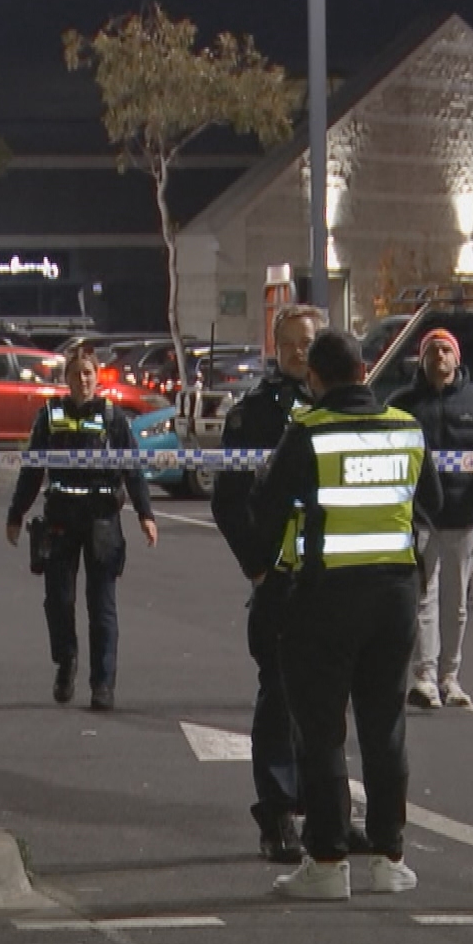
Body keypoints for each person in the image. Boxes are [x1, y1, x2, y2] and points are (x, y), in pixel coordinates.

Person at [248, 328, 442, 901]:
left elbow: (267, 511)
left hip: (324, 599)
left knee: (321, 733)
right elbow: (432, 503)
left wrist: (264, 569)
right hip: (395, 595)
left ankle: (329, 861)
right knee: (385, 730)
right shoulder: (407, 430)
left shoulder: (307, 431)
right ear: (364, 372)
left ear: (315, 378)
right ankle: (388, 856)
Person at [212, 302, 326, 864]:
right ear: (275, 346)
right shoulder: (254, 413)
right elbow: (229, 500)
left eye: (311, 340)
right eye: (292, 342)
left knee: (328, 700)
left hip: (333, 579)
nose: (302, 350)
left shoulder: (340, 404)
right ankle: (278, 812)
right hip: (280, 580)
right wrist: (255, 563)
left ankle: (321, 807)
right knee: (279, 697)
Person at [7, 349, 160, 711]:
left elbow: (133, 469)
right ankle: (66, 661)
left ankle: (102, 684)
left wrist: (145, 514)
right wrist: (16, 513)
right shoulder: (50, 416)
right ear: (67, 379)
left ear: (97, 377)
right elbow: (32, 470)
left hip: (102, 518)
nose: (83, 381)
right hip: (60, 518)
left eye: (89, 374)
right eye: (76, 374)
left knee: (101, 606)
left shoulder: (112, 417)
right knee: (58, 601)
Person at [387, 327, 473, 710]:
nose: (439, 357)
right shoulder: (402, 404)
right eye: (432, 351)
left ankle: (450, 676)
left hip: (462, 516)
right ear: (422, 359)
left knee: (456, 602)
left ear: (457, 359)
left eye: (446, 350)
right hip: (417, 519)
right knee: (422, 599)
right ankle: (424, 677)